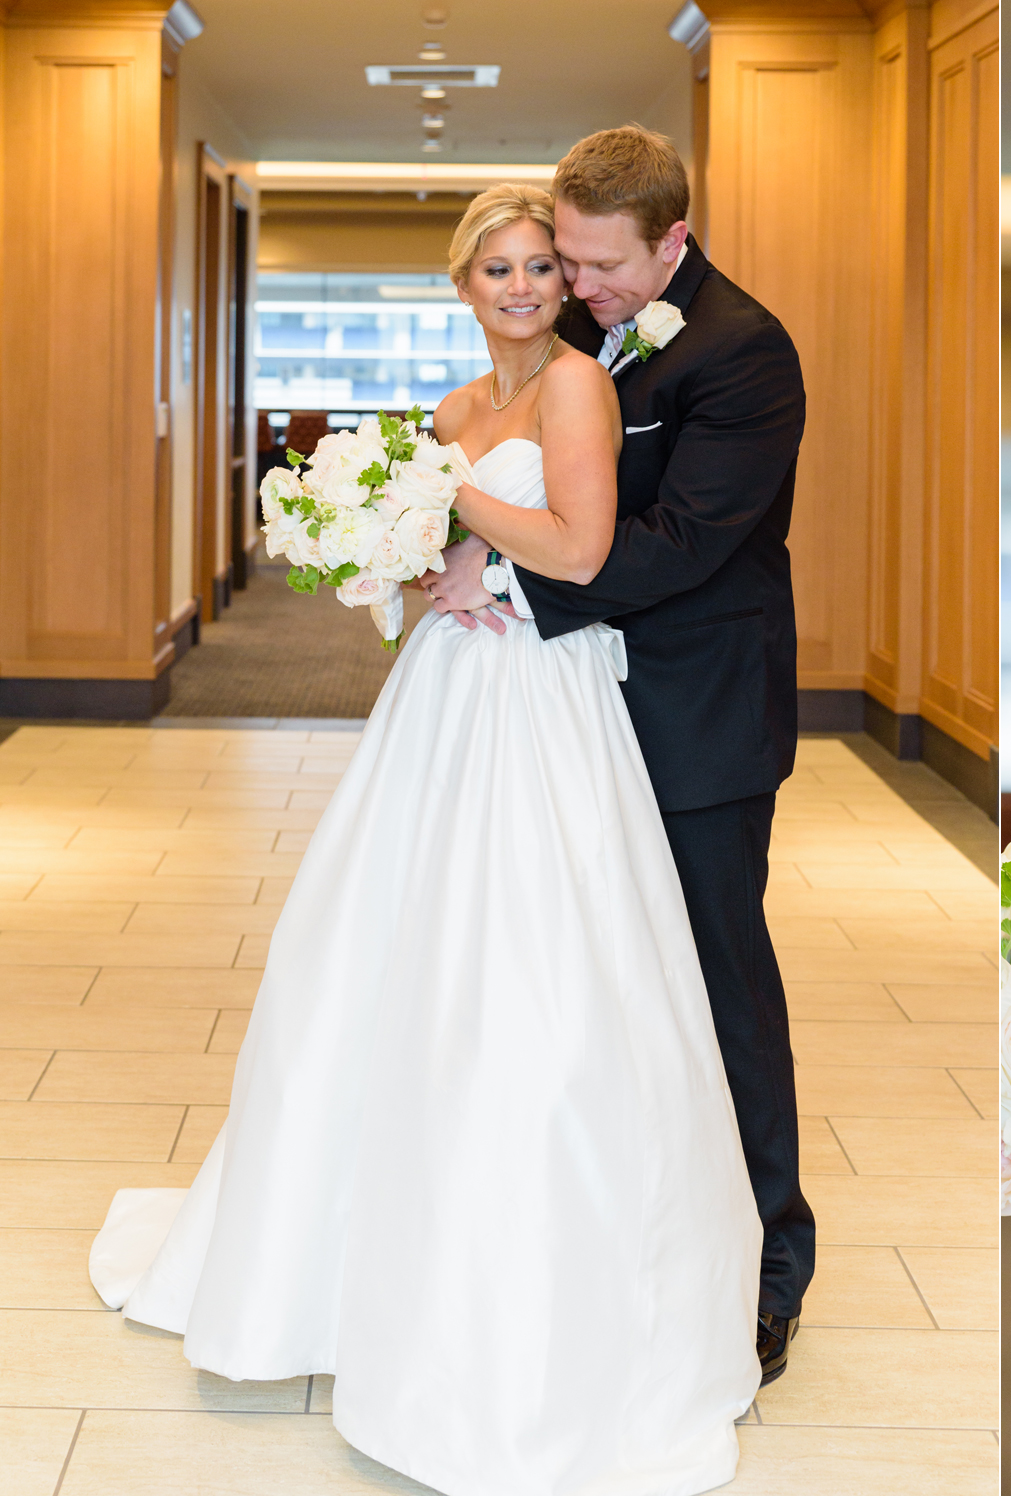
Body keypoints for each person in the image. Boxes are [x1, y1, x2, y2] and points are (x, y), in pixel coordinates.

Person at [86, 184, 762, 1496]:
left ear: (564, 287)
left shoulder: (576, 390)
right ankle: (346, 1252)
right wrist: (395, 556)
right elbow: (423, 580)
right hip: (445, 697)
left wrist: (460, 521)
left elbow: (581, 542)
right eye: (495, 269)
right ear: (460, 282)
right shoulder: (456, 408)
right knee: (372, 955)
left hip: (541, 704)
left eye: (537, 269)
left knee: (535, 971)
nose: (519, 288)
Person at [424, 126, 814, 1383]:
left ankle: (768, 1265)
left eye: (597, 268)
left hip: (699, 715)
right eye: (565, 264)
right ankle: (630, 1235)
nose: (576, 291)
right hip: (577, 716)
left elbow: (679, 542)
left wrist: (504, 578)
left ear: (672, 241)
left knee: (717, 985)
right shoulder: (597, 330)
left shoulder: (746, 353)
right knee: (598, 983)